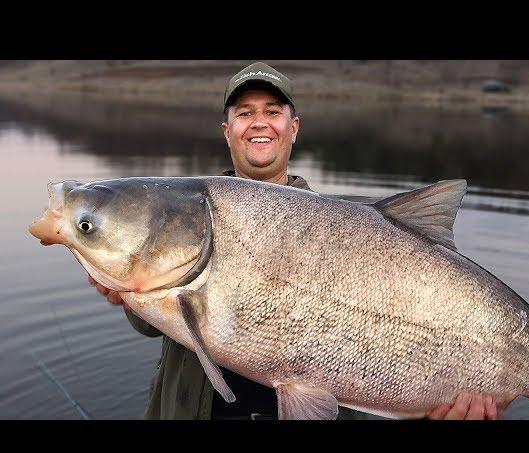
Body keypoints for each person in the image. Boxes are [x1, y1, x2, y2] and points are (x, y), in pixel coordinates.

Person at [89, 61, 498, 420]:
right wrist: (125, 289)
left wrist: (433, 407)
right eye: (245, 112)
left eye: (272, 111)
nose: (259, 122)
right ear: (228, 130)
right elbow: (153, 322)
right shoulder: (184, 213)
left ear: (293, 127)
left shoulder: (346, 233)